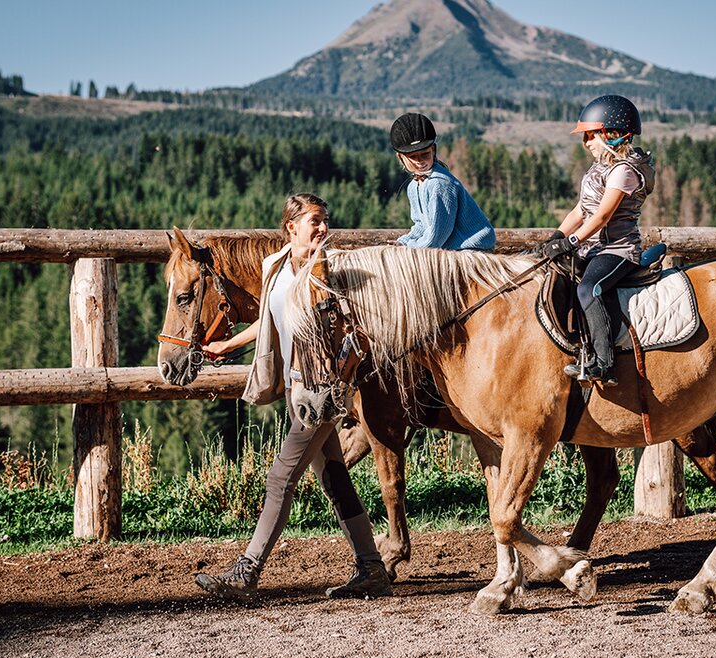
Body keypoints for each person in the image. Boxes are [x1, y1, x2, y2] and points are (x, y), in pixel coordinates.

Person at [195, 193, 392, 604]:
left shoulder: (331, 270)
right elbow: (272, 316)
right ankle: (372, 568)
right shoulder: (276, 267)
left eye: (324, 219)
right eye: (314, 221)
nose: (322, 228)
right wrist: (230, 344)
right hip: (294, 388)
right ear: (291, 227)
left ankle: (247, 571)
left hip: (320, 392)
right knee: (335, 480)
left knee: (281, 478)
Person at [541, 94, 655, 386]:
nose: (586, 142)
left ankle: (604, 363)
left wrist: (573, 241)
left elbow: (603, 216)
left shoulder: (624, 171)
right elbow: (580, 210)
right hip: (594, 248)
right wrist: (556, 237)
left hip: (618, 251)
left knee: (590, 288)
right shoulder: (598, 169)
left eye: (591, 136)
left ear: (612, 135)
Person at [389, 112, 496, 251]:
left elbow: (436, 236)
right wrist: (403, 242)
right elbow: (421, 225)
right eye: (413, 156)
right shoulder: (413, 186)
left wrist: (410, 249)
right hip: (449, 250)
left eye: (425, 154)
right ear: (401, 157)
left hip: (472, 249)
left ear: (433, 150)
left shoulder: (441, 185)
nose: (420, 161)